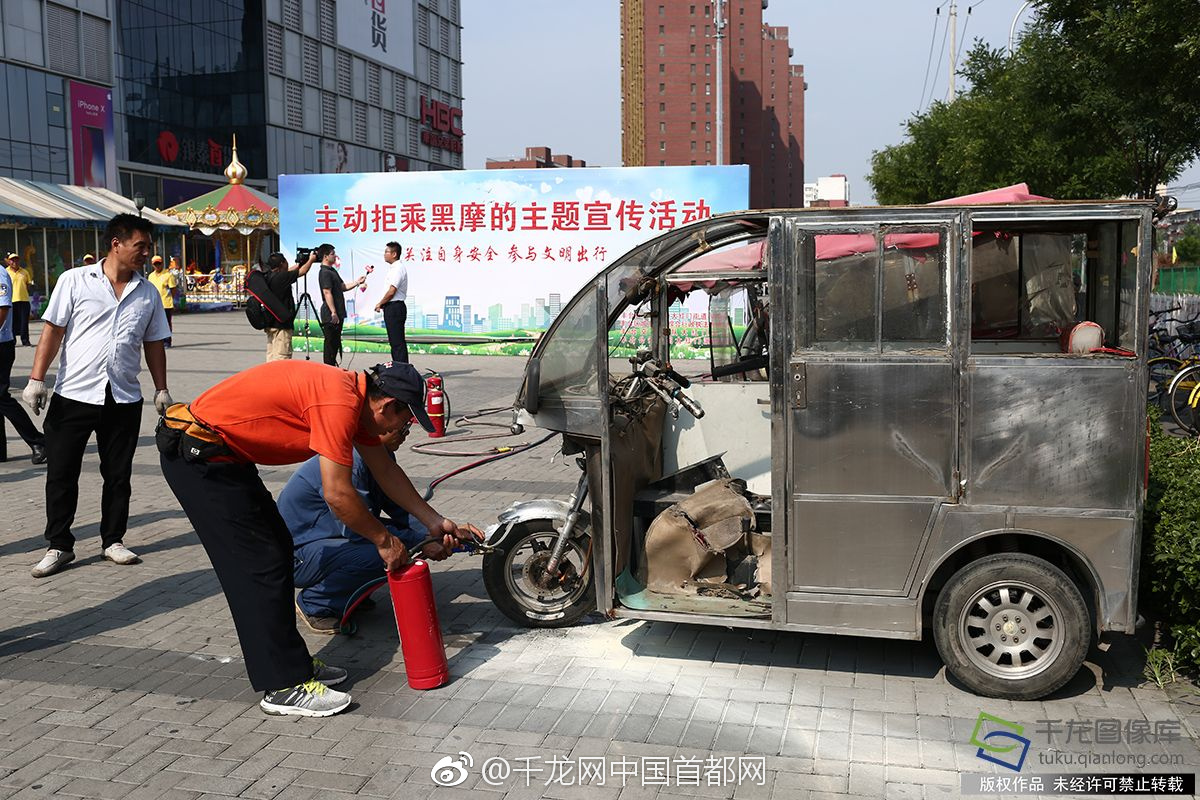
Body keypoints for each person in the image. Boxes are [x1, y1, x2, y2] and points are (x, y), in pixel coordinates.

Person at [158, 360, 481, 717]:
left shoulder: (356, 402)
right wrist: (385, 541)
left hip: (224, 456)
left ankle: (293, 663)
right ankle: (283, 685)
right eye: (404, 421)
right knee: (257, 567)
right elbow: (339, 496)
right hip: (199, 457)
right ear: (387, 405)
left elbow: (386, 469)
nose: (404, 429)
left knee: (276, 553)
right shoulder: (339, 403)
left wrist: (434, 521)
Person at [22, 213, 173, 579]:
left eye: (148, 247)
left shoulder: (148, 292)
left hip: (122, 398)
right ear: (116, 244)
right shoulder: (75, 280)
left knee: (118, 474)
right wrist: (36, 378)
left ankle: (113, 540)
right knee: (61, 473)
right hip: (74, 394)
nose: (146, 253)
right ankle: (59, 545)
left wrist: (161, 389)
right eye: (140, 246)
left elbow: (154, 343)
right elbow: (53, 331)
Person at [281, 424, 454, 633]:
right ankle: (316, 604)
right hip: (297, 555)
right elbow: (357, 529)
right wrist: (420, 542)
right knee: (384, 551)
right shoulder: (351, 463)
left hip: (328, 538)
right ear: (380, 425)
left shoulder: (380, 457)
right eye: (401, 430)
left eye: (407, 431)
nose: (405, 437)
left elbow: (400, 508)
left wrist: (434, 532)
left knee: (395, 541)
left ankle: (349, 591)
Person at [0, 265, 46, 464]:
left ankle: (38, 442)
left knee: (1, 396)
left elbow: (3, 308)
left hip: (1, 344)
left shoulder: (0, 273)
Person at [257, 251, 316, 361]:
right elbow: (302, 272)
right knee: (282, 356)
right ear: (282, 263)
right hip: (282, 326)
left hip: (271, 323)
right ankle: (279, 377)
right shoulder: (282, 278)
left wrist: (299, 264)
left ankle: (270, 377)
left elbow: (290, 272)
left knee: (271, 355)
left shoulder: (268, 276)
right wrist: (311, 260)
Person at [316, 244, 366, 367]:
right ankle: (328, 368)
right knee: (330, 343)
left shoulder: (332, 271)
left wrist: (356, 282)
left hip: (338, 312)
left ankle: (333, 366)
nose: (335, 256)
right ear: (326, 256)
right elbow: (327, 292)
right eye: (332, 254)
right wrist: (333, 312)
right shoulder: (324, 272)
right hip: (330, 314)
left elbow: (342, 287)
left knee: (335, 342)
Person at [373, 242, 409, 363]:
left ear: (394, 254)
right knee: (395, 341)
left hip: (395, 307)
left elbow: (391, 291)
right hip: (391, 307)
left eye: (386, 252)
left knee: (397, 342)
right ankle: (400, 369)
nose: (384, 254)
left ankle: (402, 371)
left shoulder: (398, 268)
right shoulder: (394, 268)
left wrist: (380, 303)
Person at [147, 255, 178, 347]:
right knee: (156, 324)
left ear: (162, 264)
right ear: (152, 265)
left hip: (166, 303)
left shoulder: (168, 275)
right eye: (155, 264)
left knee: (166, 323)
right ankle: (158, 340)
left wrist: (170, 298)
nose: (157, 266)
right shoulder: (151, 276)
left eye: (159, 263)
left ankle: (167, 341)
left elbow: (173, 289)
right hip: (154, 304)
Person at [6, 253, 34, 346]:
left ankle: (25, 340)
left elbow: (28, 284)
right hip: (11, 301)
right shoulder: (6, 272)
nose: (15, 262)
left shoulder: (24, 272)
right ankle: (12, 341)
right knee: (12, 322)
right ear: (9, 261)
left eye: (16, 260)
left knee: (24, 322)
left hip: (24, 300)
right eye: (12, 260)